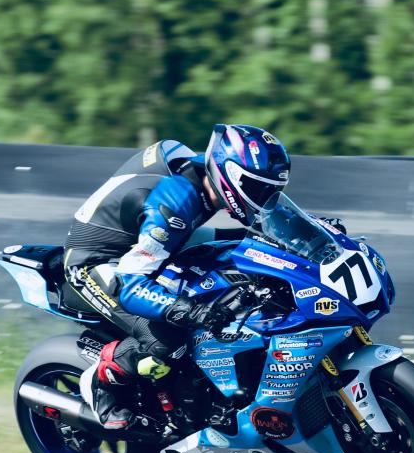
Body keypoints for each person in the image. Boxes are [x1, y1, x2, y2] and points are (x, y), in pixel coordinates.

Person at [64, 124, 291, 429]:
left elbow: (256, 226)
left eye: (273, 192)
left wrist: (303, 234)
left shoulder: (203, 178)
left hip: (153, 245)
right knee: (169, 341)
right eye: (258, 190)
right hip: (99, 262)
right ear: (230, 176)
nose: (265, 200)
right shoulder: (174, 205)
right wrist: (188, 310)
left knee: (243, 262)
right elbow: (131, 285)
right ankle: (102, 380)